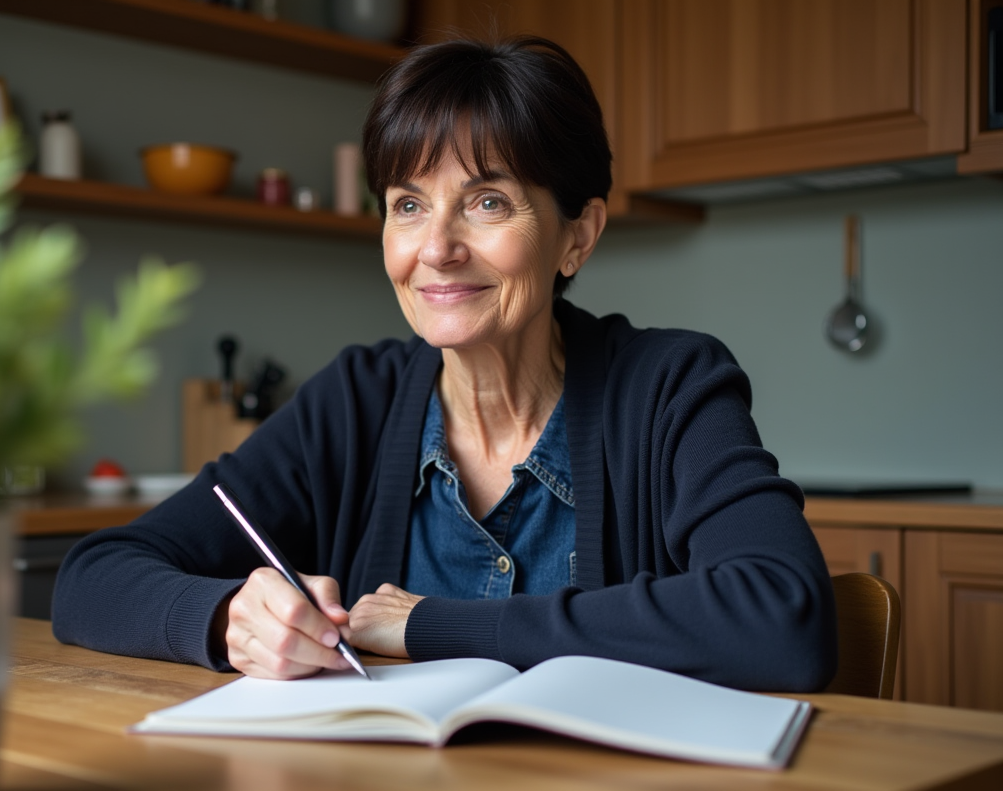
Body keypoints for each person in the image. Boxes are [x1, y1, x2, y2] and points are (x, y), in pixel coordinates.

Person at [52, 36, 837, 692]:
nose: (435, 249)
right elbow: (94, 576)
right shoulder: (357, 400)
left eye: (488, 201)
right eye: (408, 204)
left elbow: (783, 616)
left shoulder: (669, 387)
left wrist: (427, 624)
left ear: (578, 235)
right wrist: (229, 620)